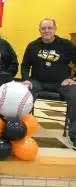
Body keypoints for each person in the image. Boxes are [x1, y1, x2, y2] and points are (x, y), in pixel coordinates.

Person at [21, 17, 76, 148]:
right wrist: (26, 80)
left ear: (55, 29)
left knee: (75, 95)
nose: (46, 31)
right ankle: (21, 130)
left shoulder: (66, 45)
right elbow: (24, 65)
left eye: (49, 28)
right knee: (23, 93)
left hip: (61, 83)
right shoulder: (33, 45)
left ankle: (74, 136)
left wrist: (73, 79)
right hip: (37, 81)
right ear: (39, 30)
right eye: (43, 28)